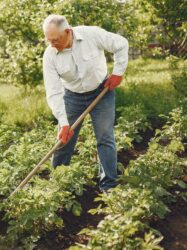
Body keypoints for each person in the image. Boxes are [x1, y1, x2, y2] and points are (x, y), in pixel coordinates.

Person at [42, 14, 129, 192]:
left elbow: (121, 44)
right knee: (64, 140)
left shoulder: (91, 35)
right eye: (48, 40)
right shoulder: (50, 55)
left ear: (67, 32)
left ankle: (109, 186)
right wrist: (64, 123)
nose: (52, 44)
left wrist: (118, 73)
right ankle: (58, 184)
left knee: (105, 137)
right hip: (72, 97)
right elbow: (54, 91)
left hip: (101, 92)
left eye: (55, 40)